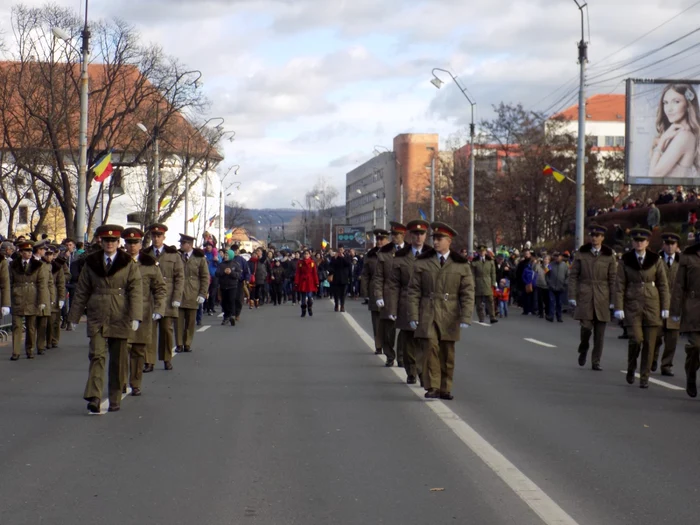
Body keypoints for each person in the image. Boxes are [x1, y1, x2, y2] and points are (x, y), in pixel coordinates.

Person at [67, 225, 143, 413]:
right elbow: (82, 290)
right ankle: (94, 395)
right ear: (101, 242)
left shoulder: (128, 263)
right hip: (97, 314)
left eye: (113, 241)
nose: (109, 244)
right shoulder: (91, 263)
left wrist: (135, 316)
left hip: (120, 314)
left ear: (119, 243)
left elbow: (135, 291)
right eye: (106, 240)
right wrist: (74, 316)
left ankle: (115, 397)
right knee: (97, 355)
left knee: (118, 359)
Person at [407, 222, 474, 400]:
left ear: (449, 241)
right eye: (434, 239)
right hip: (428, 310)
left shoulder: (461, 264)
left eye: (439, 239)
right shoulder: (423, 262)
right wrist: (413, 315)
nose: (435, 242)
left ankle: (445, 387)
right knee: (430, 348)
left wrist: (466, 316)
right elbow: (413, 290)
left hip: (450, 313)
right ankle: (433, 386)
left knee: (447, 352)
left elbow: (467, 292)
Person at [615, 228, 670, 389]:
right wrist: (618, 307)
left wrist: (665, 306)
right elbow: (619, 285)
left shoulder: (655, 260)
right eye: (636, 240)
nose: (639, 243)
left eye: (642, 240)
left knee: (649, 344)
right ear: (632, 242)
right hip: (632, 304)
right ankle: (631, 367)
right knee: (636, 339)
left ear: (647, 242)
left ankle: (644, 377)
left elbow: (663, 284)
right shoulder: (625, 260)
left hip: (652, 305)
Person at [121, 228, 166, 395]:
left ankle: (135, 383)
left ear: (141, 244)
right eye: (129, 243)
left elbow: (160, 288)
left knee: (138, 351)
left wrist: (159, 309)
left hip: (144, 312)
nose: (132, 246)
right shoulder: (118, 262)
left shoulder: (149, 264)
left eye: (135, 243)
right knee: (122, 350)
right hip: (121, 312)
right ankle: (121, 381)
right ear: (124, 244)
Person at [386, 219, 430, 384]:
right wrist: (392, 308)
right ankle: (412, 370)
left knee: (425, 341)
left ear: (425, 236)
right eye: (415, 234)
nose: (418, 237)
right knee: (409, 341)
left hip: (426, 304)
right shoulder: (401, 256)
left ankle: (422, 371)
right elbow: (394, 284)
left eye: (422, 234)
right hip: (405, 303)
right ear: (410, 236)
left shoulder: (432, 255)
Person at [568, 224, 616, 371]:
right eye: (592, 235)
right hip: (585, 293)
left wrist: (614, 301)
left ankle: (596, 361)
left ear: (602, 238)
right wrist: (572, 295)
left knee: (600, 334)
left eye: (598, 235)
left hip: (602, 295)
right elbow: (573, 276)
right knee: (586, 328)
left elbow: (613, 279)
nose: (594, 238)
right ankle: (583, 348)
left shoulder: (609, 256)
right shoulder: (582, 254)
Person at [144, 223, 184, 373]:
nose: (156, 238)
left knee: (166, 330)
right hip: (150, 298)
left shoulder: (173, 255)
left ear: (163, 237)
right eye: (154, 236)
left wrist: (177, 297)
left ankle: (167, 358)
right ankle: (149, 361)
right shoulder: (146, 254)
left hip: (167, 299)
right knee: (149, 331)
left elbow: (180, 277)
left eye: (158, 236)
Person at [648, 83, 700, 179]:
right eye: (666, 103)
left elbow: (653, 175)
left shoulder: (684, 136)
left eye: (676, 102)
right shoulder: (675, 134)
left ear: (688, 105)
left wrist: (662, 141)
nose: (669, 109)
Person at [670, 235, 700, 397]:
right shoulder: (688, 257)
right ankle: (691, 373)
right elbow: (679, 286)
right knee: (695, 346)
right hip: (693, 308)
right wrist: (675, 311)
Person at [9, 240, 48, 360]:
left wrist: (42, 301)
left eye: (30, 251)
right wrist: (8, 300)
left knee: (31, 327)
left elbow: (42, 284)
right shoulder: (13, 265)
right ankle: (15, 352)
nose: (29, 253)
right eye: (26, 251)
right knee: (17, 326)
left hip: (32, 297)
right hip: (18, 297)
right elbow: (9, 282)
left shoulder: (38, 265)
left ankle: (30, 350)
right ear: (20, 252)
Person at [375, 222, 406, 367]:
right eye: (393, 234)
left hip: (406, 294)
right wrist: (379, 296)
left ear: (403, 235)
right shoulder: (384, 253)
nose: (394, 237)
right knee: (389, 328)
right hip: (388, 294)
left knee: (405, 328)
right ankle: (389, 354)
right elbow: (379, 277)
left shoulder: (410, 252)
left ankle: (401, 356)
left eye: (397, 235)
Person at [652, 233, 681, 376]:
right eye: (667, 244)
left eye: (673, 244)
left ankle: (666, 365)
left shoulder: (682, 263)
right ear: (663, 245)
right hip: (657, 304)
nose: (670, 247)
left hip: (676, 305)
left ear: (677, 246)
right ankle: (652, 358)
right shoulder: (656, 260)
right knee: (655, 336)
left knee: (672, 338)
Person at [176, 234, 209, 353]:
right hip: (179, 293)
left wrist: (202, 293)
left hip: (193, 293)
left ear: (189, 245)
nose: (180, 245)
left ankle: (187, 343)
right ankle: (179, 344)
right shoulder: (178, 256)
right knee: (178, 321)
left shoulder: (199, 258)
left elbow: (205, 277)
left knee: (190, 322)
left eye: (182, 243)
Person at [360, 230, 388, 354]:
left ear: (387, 240)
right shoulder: (370, 255)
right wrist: (364, 292)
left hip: (389, 291)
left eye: (382, 239)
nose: (380, 242)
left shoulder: (393, 254)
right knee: (376, 320)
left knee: (389, 321)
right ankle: (379, 345)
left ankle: (389, 346)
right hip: (374, 291)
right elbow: (365, 275)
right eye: (378, 239)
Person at [472, 244, 498, 324]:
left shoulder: (490, 261)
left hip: (487, 282)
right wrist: (473, 283)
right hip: (478, 282)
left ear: (486, 252)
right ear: (478, 252)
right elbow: (472, 274)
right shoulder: (474, 261)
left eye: (483, 251)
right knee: (479, 302)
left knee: (490, 301)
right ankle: (481, 317)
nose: (482, 253)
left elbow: (493, 273)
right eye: (480, 251)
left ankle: (492, 317)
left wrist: (493, 282)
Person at [47, 245, 67, 349]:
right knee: (47, 321)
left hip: (55, 293)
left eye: (52, 254)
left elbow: (61, 283)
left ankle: (54, 339)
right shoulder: (41, 265)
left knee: (54, 320)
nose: (50, 256)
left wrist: (61, 298)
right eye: (48, 254)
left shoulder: (58, 266)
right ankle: (47, 340)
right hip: (44, 294)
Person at [216, 249, 242, 324]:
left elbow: (238, 275)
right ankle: (226, 316)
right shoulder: (221, 264)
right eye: (225, 255)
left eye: (227, 255)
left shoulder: (235, 264)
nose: (226, 256)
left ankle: (232, 315)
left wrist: (231, 272)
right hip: (223, 286)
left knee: (231, 300)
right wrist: (223, 272)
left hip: (232, 286)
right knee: (224, 302)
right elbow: (217, 273)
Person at [294, 249, 319, 317]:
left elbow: (314, 273)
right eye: (305, 254)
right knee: (303, 297)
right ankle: (303, 310)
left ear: (309, 255)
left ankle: (310, 307)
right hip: (302, 280)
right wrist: (296, 281)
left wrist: (316, 282)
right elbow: (298, 273)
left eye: (307, 254)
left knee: (310, 296)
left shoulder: (312, 262)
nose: (306, 255)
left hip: (310, 280)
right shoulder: (300, 263)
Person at [547, 251, 569, 323]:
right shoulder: (550, 265)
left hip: (561, 287)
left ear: (561, 257)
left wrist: (565, 284)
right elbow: (546, 274)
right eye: (555, 256)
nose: (557, 258)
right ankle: (551, 316)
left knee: (559, 303)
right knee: (551, 302)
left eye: (558, 256)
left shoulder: (565, 266)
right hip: (552, 287)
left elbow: (568, 276)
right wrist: (549, 283)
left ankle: (559, 317)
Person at [328, 244, 351, 312]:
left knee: (343, 293)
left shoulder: (347, 256)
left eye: (341, 250)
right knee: (336, 293)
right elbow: (331, 266)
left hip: (344, 277)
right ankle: (336, 305)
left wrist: (343, 257)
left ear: (343, 250)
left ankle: (342, 306)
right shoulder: (334, 257)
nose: (340, 251)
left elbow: (348, 264)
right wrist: (335, 258)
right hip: (336, 277)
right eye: (339, 250)